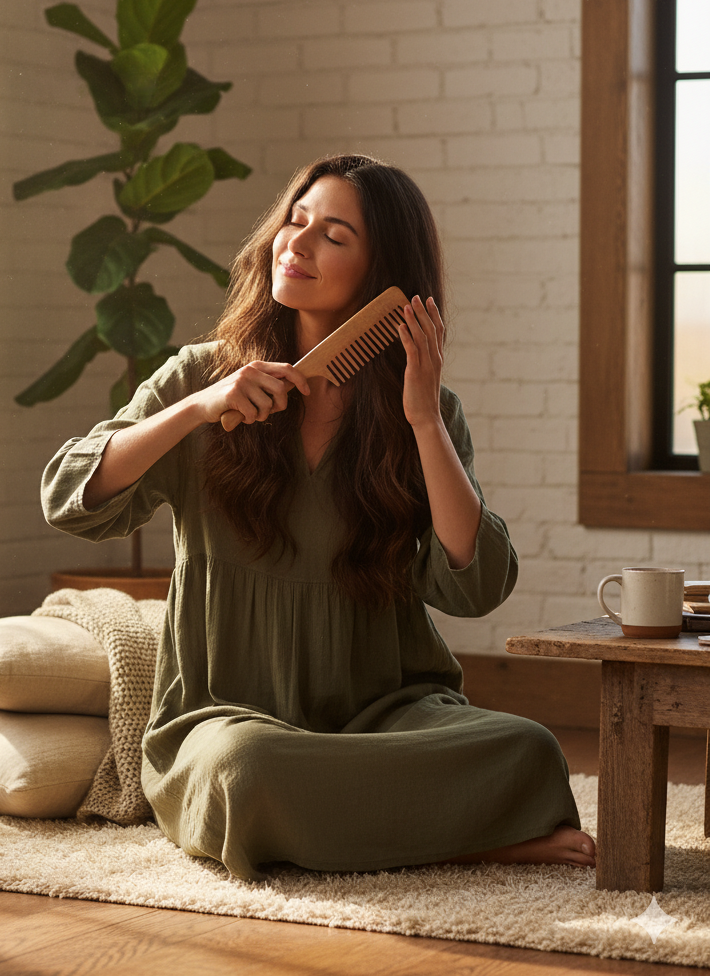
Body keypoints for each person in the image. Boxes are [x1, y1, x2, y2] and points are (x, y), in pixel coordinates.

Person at [42, 154, 595, 880]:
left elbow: (476, 584)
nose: (296, 245)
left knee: (527, 749)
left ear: (383, 273)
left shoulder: (426, 409)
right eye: (294, 221)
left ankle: (346, 823)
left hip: (389, 713)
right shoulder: (200, 380)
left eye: (334, 235)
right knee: (247, 770)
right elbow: (67, 495)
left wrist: (424, 420)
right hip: (225, 719)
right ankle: (463, 837)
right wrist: (197, 411)